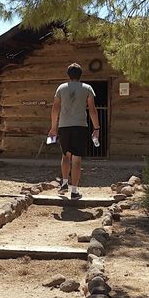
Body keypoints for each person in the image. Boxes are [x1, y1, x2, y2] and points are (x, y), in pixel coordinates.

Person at [48, 63, 100, 199]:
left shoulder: (61, 88)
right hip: (80, 126)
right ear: (80, 74)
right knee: (76, 159)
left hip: (64, 126)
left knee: (65, 155)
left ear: (68, 74)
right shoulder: (87, 88)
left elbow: (55, 109)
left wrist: (53, 127)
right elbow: (92, 110)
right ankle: (74, 191)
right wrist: (96, 128)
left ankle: (64, 183)